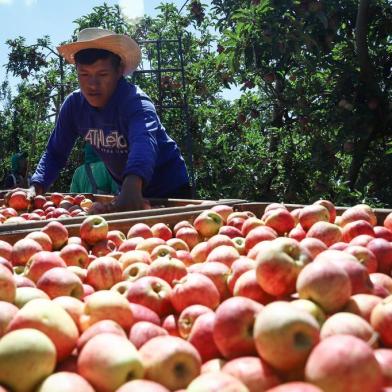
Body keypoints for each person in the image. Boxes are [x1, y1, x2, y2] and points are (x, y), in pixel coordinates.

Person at [26, 27, 191, 212]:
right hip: (128, 189)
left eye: (102, 74)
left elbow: (143, 143)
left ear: (119, 70)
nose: (92, 84)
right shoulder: (74, 106)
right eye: (84, 74)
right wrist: (37, 185)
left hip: (170, 189)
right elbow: (56, 152)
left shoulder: (135, 102)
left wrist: (131, 187)